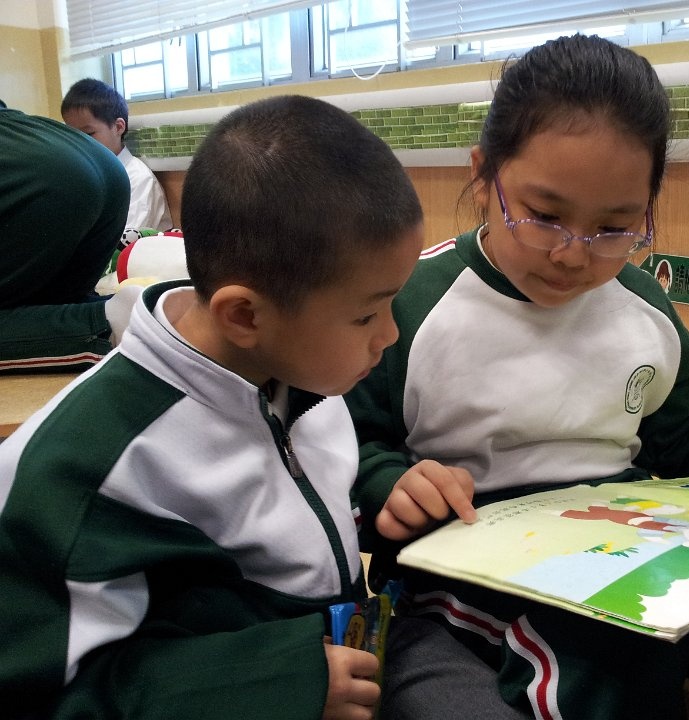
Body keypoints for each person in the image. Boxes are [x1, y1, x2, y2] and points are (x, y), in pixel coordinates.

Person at [345, 34, 689, 720]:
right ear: (484, 175)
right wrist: (389, 483)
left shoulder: (642, 307)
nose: (574, 255)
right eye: (544, 216)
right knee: (602, 650)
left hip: (626, 540)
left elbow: (680, 437)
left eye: (614, 227)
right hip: (466, 569)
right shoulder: (407, 304)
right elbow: (338, 447)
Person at [0, 94, 424, 719]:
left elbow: (302, 491)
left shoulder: (296, 373)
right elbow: (43, 697)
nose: (389, 335)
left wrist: (387, 487)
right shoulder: (82, 474)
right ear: (244, 314)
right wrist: (269, 683)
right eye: (367, 315)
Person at [0, 102, 133, 373]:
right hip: (98, 164)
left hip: (45, 178)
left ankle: (109, 323)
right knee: (50, 304)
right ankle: (133, 311)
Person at [62, 78, 173, 232]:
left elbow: (125, 240)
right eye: (72, 136)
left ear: (118, 127)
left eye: (89, 134)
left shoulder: (138, 179)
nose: (80, 143)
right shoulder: (83, 177)